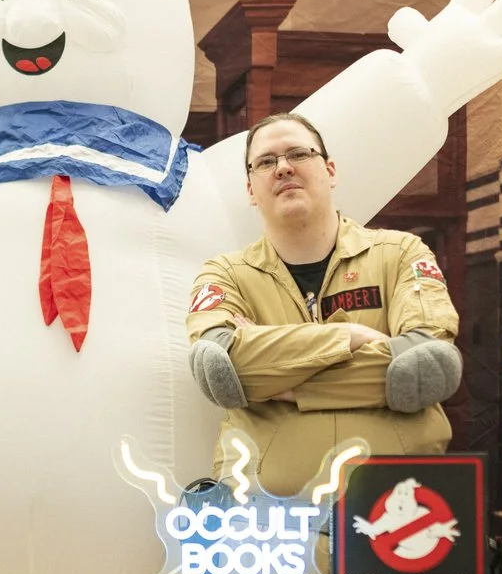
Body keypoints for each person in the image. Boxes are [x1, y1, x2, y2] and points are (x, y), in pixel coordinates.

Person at [184, 112, 464, 492]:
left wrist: (286, 384)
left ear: (330, 171)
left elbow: (425, 369)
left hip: (397, 507)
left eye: (299, 154)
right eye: (266, 162)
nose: (283, 168)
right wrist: (349, 336)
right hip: (263, 512)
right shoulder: (225, 275)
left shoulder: (401, 253)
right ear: (250, 190)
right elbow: (221, 371)